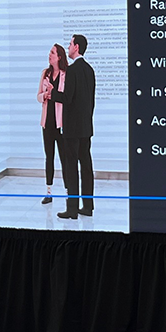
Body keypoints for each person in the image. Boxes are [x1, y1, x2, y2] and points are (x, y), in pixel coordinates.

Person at [45, 34, 96, 219]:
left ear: (76, 47)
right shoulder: (90, 70)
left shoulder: (73, 71)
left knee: (72, 167)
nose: (68, 47)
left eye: (70, 44)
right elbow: (91, 101)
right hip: (86, 128)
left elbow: (67, 98)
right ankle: (88, 206)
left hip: (72, 129)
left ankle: (72, 209)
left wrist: (52, 93)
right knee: (87, 166)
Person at [37, 44, 69, 205]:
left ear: (60, 57)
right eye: (49, 52)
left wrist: (54, 92)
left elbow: (67, 97)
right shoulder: (45, 73)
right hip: (47, 123)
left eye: (52, 53)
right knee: (49, 157)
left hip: (61, 123)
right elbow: (38, 96)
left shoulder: (66, 74)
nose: (49, 55)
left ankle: (69, 192)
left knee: (64, 158)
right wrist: (46, 94)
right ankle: (48, 192)